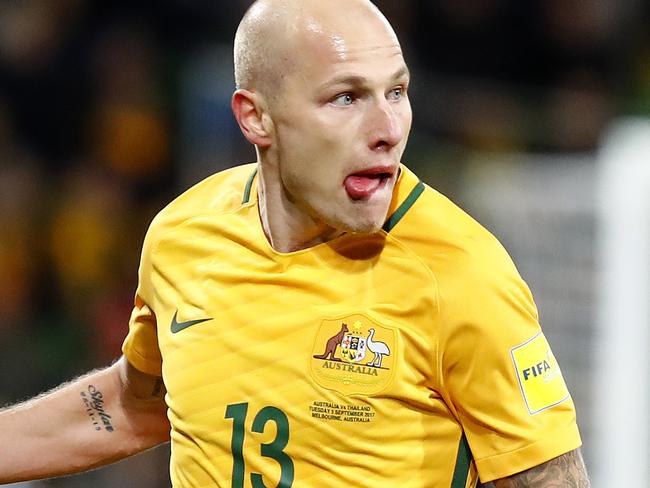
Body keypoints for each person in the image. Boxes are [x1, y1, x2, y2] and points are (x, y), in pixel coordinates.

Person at [0, 0, 590, 486]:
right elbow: (139, 403)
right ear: (255, 118)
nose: (387, 130)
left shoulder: (461, 273)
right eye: (346, 98)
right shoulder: (183, 236)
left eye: (397, 92)